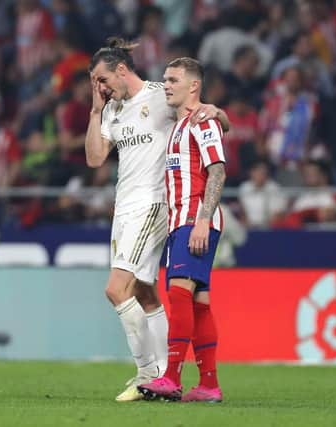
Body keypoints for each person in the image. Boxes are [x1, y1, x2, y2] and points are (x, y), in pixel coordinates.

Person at [86, 38, 229, 402]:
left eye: (103, 80)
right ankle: (182, 377)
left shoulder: (159, 97)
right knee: (151, 293)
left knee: (118, 289)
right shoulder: (114, 110)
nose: (101, 87)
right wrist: (95, 108)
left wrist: (218, 112)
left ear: (121, 70)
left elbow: (213, 134)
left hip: (157, 206)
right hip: (128, 207)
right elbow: (94, 159)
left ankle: (151, 372)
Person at [138, 57, 226, 403]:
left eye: (173, 79)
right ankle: (208, 385)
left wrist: (203, 219)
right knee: (199, 303)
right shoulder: (182, 124)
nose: (167, 85)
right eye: (164, 79)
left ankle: (171, 378)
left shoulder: (202, 122)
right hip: (182, 222)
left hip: (195, 222)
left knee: (178, 295)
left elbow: (217, 171)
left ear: (194, 85)